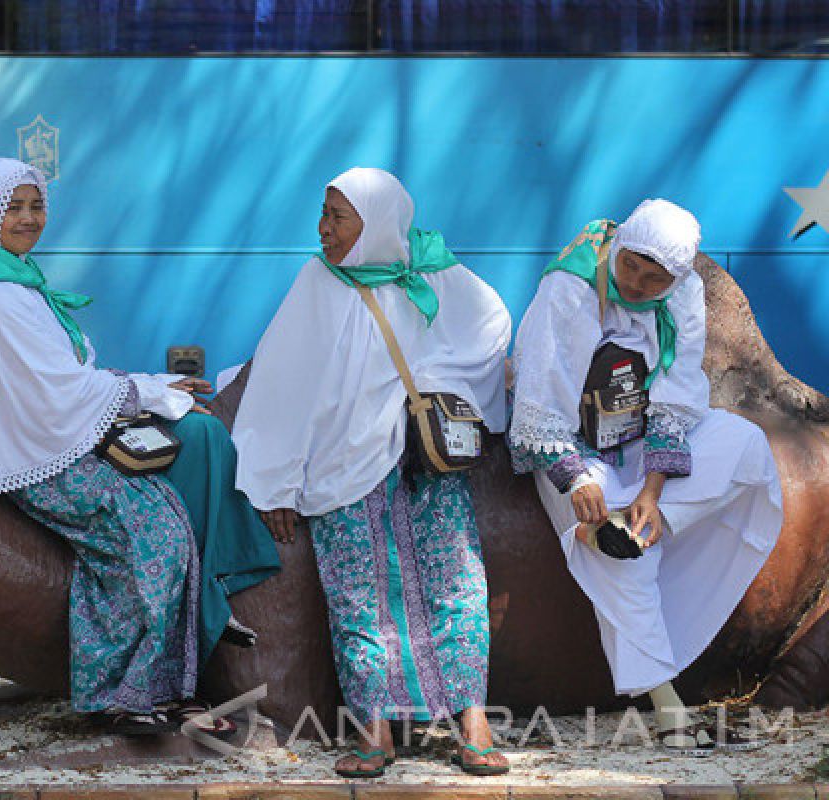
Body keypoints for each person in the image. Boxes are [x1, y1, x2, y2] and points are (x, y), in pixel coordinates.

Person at [0, 158, 279, 735]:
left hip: (57, 440)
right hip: (40, 460)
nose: (29, 218)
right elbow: (58, 391)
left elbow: (61, 379)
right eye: (14, 208)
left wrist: (144, 390)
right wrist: (146, 390)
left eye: (36, 205)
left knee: (170, 511)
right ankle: (123, 696)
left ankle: (171, 688)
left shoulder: (14, 278)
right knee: (155, 532)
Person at [232, 167, 512, 778]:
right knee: (357, 595)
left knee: (456, 584)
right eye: (324, 213)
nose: (323, 228)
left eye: (338, 216)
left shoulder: (429, 270)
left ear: (378, 221)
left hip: (427, 458)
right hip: (344, 462)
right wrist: (275, 481)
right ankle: (373, 729)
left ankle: (473, 722)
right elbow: (282, 384)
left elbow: (492, 324)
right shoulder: (317, 282)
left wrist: (440, 378)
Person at [508, 198, 783, 755]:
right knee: (616, 555)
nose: (636, 283)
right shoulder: (571, 288)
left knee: (744, 446)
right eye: (631, 265)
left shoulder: (681, 293)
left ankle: (634, 526)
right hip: (572, 454)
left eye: (654, 277)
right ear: (621, 244)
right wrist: (575, 480)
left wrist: (654, 495)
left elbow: (678, 395)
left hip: (642, 449)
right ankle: (668, 708)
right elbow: (539, 398)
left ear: (676, 276)